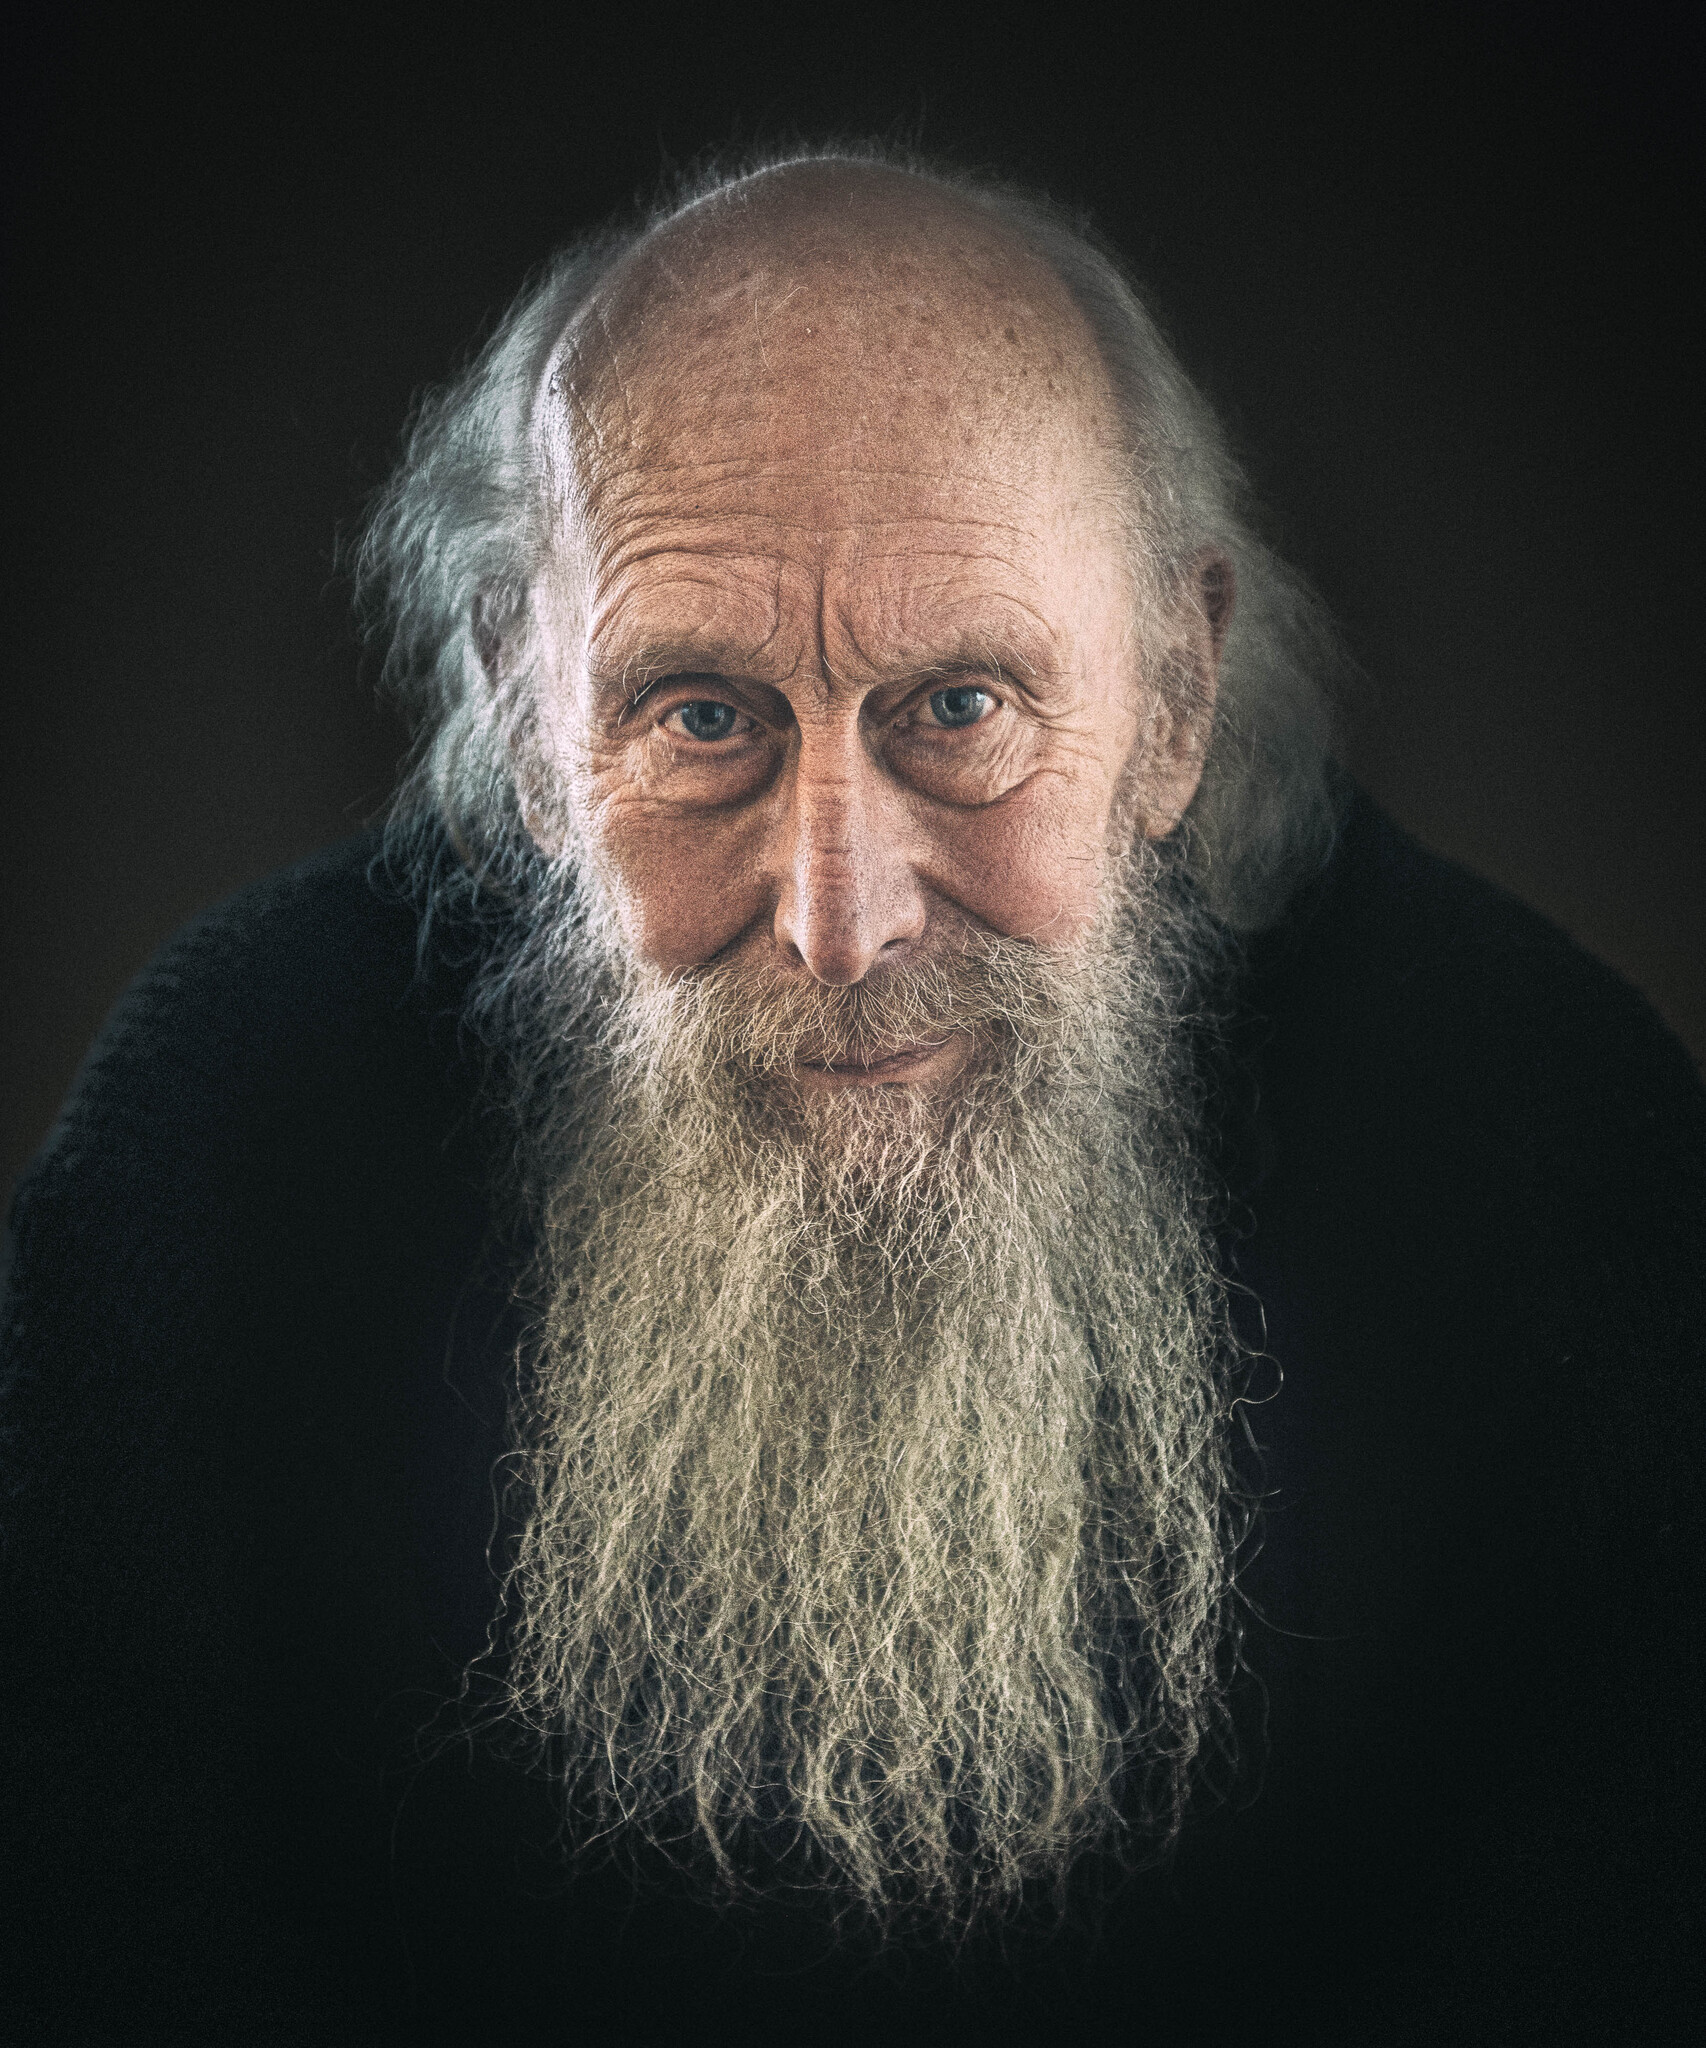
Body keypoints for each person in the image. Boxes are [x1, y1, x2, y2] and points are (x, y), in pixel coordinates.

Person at [3, 145, 1701, 2045]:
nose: (837, 921)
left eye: (959, 709)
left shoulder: (1549, 1141)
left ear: (1172, 694)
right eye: (702, 718)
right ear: (533, 727)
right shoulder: (224, 1125)